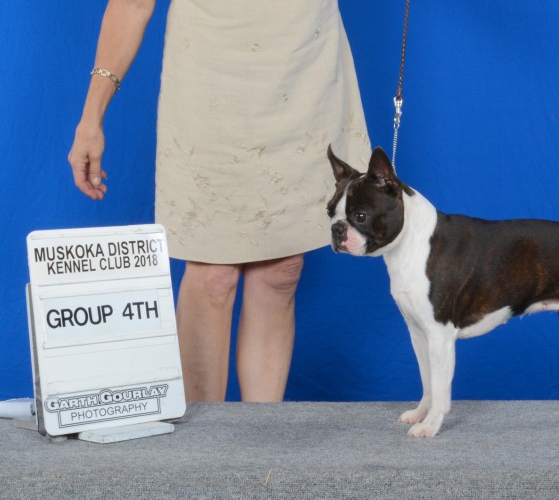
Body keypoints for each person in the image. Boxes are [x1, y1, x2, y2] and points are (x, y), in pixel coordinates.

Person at [68, 0, 370, 402]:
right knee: (214, 274)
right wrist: (92, 118)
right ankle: (202, 453)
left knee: (281, 270)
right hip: (210, 68)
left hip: (303, 67)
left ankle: (260, 444)